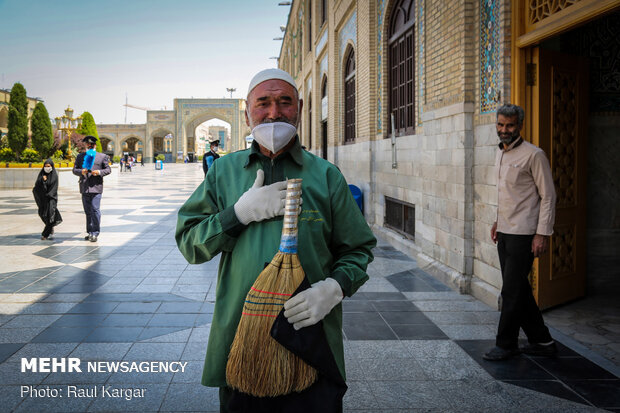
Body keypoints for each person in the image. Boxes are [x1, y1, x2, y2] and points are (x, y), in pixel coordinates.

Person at [176, 68, 376, 412]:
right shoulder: (224, 173)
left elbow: (358, 248)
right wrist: (237, 216)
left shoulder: (324, 175)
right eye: (263, 103)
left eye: (284, 102)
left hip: (312, 339)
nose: (273, 112)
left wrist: (335, 288)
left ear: (298, 107)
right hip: (242, 339)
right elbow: (190, 243)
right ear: (246, 113)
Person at [484, 104, 558, 361]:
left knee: (512, 291)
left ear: (520, 126)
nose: (504, 130)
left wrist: (542, 234)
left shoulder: (534, 155)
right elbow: (504, 194)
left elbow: (548, 196)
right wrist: (496, 221)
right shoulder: (500, 153)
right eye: (501, 125)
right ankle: (542, 340)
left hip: (525, 233)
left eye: (510, 126)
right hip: (504, 231)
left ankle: (506, 344)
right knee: (520, 289)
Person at [73, 135, 111, 242]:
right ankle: (90, 232)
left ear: (95, 145)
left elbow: (108, 170)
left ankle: (95, 232)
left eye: (92, 145)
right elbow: (74, 170)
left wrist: (99, 172)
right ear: (85, 145)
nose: (90, 146)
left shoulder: (102, 156)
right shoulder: (80, 156)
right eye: (88, 145)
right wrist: (81, 171)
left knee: (95, 210)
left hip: (96, 187)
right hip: (84, 187)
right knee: (87, 211)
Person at [33, 159, 63, 240]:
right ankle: (50, 227)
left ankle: (45, 234)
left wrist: (46, 185)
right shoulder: (41, 174)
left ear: (52, 166)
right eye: (45, 166)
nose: (47, 168)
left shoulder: (54, 176)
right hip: (42, 199)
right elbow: (37, 186)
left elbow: (53, 188)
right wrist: (43, 181)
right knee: (42, 214)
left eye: (49, 166)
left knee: (51, 215)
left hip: (51, 198)